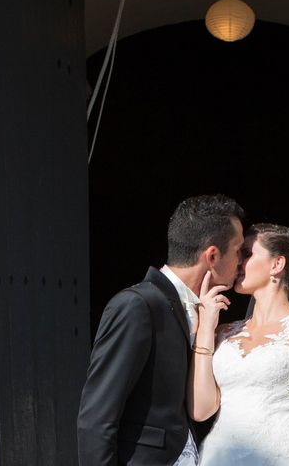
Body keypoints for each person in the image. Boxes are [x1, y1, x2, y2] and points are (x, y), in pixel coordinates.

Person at [77, 194, 245, 465]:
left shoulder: (204, 311)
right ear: (212, 255)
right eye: (238, 250)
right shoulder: (138, 305)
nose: (241, 262)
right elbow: (97, 417)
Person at [188, 223, 289, 465]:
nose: (238, 262)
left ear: (277, 264)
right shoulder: (223, 332)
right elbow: (201, 410)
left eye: (248, 254)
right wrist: (206, 331)